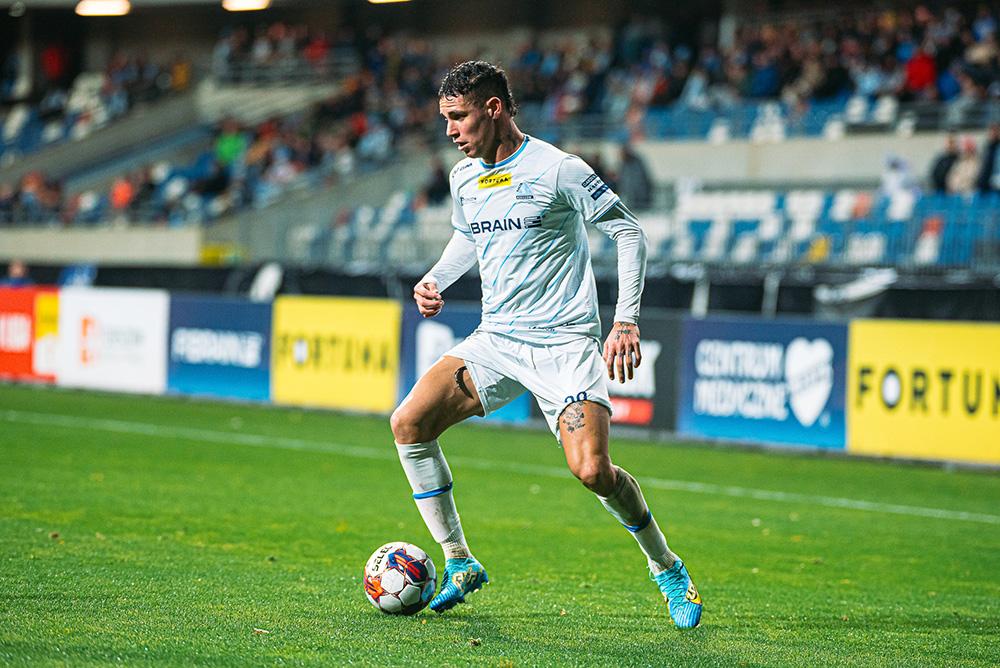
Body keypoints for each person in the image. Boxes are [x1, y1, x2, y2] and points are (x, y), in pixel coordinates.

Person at [389, 61, 702, 629]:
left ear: (493, 108)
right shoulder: (464, 178)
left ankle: (667, 566)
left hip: (564, 346)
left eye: (458, 118)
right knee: (408, 424)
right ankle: (459, 561)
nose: (450, 131)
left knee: (594, 473)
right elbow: (470, 234)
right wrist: (437, 278)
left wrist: (625, 321)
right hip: (497, 340)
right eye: (445, 120)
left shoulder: (558, 170)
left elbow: (628, 231)